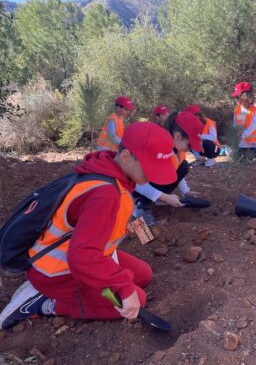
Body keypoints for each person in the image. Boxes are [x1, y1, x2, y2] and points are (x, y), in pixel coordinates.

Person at [0, 122, 177, 330]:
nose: (153, 176)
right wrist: (123, 287)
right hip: (57, 271)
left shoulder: (111, 172)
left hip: (83, 256)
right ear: (127, 156)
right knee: (136, 299)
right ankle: (43, 303)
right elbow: (82, 256)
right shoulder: (105, 194)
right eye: (150, 168)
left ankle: (51, 292)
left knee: (143, 274)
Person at [134, 111, 204, 226]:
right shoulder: (156, 147)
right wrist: (164, 197)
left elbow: (176, 170)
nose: (189, 150)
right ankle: (140, 206)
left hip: (146, 186)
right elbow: (136, 183)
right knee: (134, 231)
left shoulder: (175, 149)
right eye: (189, 145)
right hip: (131, 190)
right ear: (178, 136)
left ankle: (151, 200)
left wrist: (186, 192)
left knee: (183, 167)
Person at [232, 82, 256, 160]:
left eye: (237, 97)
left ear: (245, 96)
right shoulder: (237, 109)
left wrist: (242, 135)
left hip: (251, 146)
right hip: (239, 145)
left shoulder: (255, 110)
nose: (235, 99)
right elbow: (236, 125)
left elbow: (252, 127)